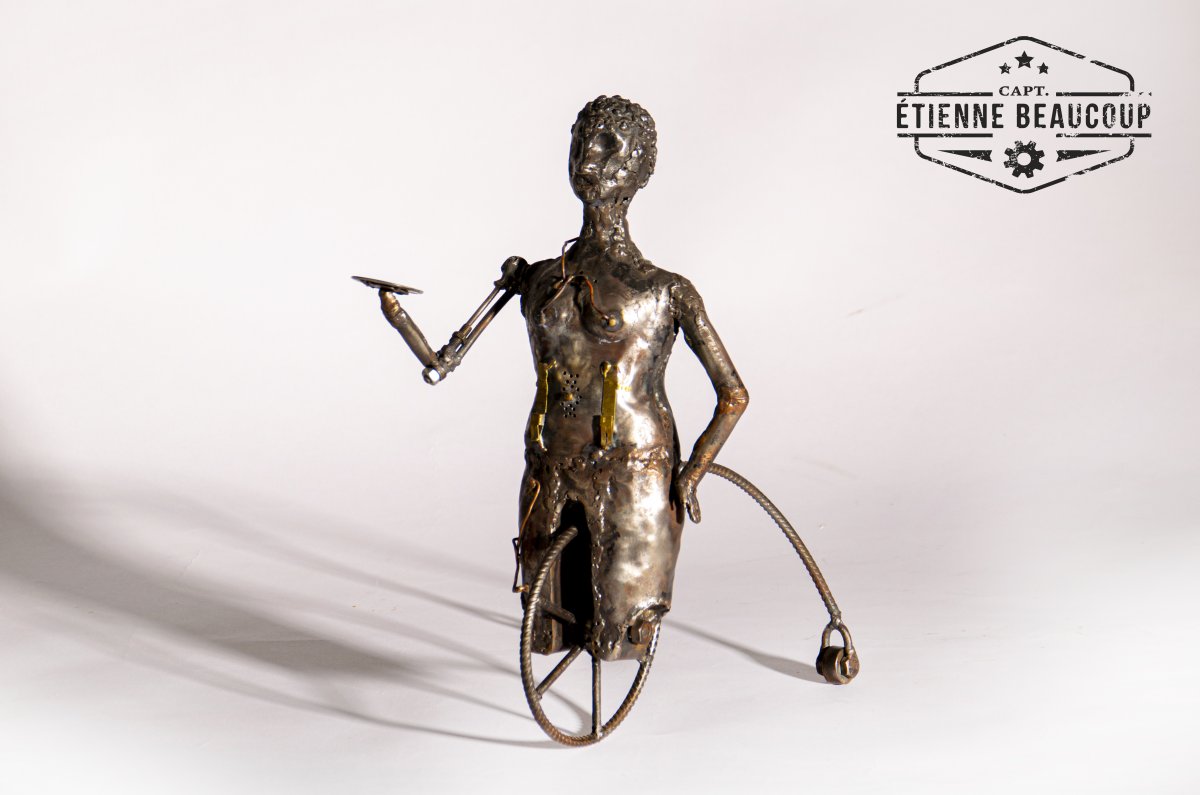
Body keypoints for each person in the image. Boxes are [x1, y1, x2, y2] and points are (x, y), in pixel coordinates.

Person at [381, 95, 748, 662]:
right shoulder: (535, 279)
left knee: (620, 627)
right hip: (548, 461)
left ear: (641, 168)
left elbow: (733, 394)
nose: (587, 159)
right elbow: (443, 361)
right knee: (544, 619)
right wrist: (400, 317)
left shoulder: (665, 290)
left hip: (633, 467)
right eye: (580, 143)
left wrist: (692, 472)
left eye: (608, 147)